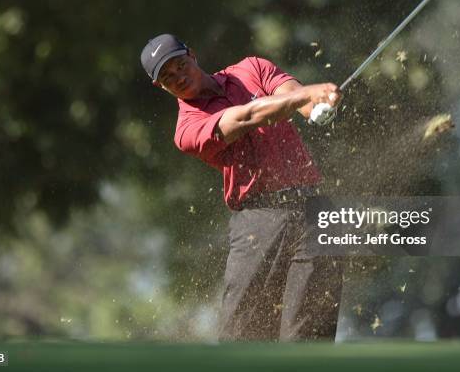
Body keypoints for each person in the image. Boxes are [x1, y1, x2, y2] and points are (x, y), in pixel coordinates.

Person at [140, 34, 344, 341]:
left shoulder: (252, 68)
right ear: (161, 87)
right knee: (244, 338)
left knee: (309, 340)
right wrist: (305, 96)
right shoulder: (187, 130)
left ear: (192, 55)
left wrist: (316, 105)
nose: (179, 78)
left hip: (316, 212)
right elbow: (249, 115)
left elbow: (296, 96)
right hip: (259, 222)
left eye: (180, 66)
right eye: (168, 78)